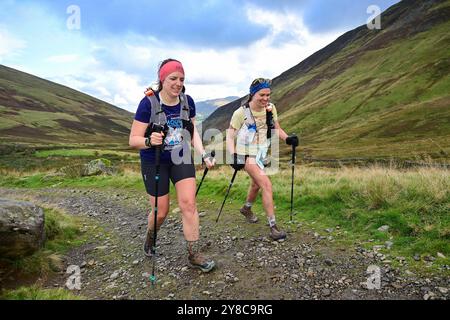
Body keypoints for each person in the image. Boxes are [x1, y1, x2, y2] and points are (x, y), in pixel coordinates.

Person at [129, 58, 216, 272]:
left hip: (180, 156)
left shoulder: (188, 102)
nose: (178, 83)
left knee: (189, 204)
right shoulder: (148, 103)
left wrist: (203, 154)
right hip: (154, 161)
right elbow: (133, 140)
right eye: (173, 78)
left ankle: (194, 254)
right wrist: (149, 141)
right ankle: (151, 236)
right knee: (161, 211)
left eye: (182, 79)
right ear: (162, 79)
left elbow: (192, 132)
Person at [226, 78, 299, 240]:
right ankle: (273, 227)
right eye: (262, 95)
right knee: (266, 184)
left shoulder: (270, 109)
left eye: (268, 95)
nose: (266, 99)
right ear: (253, 94)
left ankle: (246, 208)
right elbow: (230, 137)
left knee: (256, 184)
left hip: (262, 151)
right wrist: (234, 156)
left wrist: (287, 139)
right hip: (246, 153)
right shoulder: (240, 113)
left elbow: (277, 129)